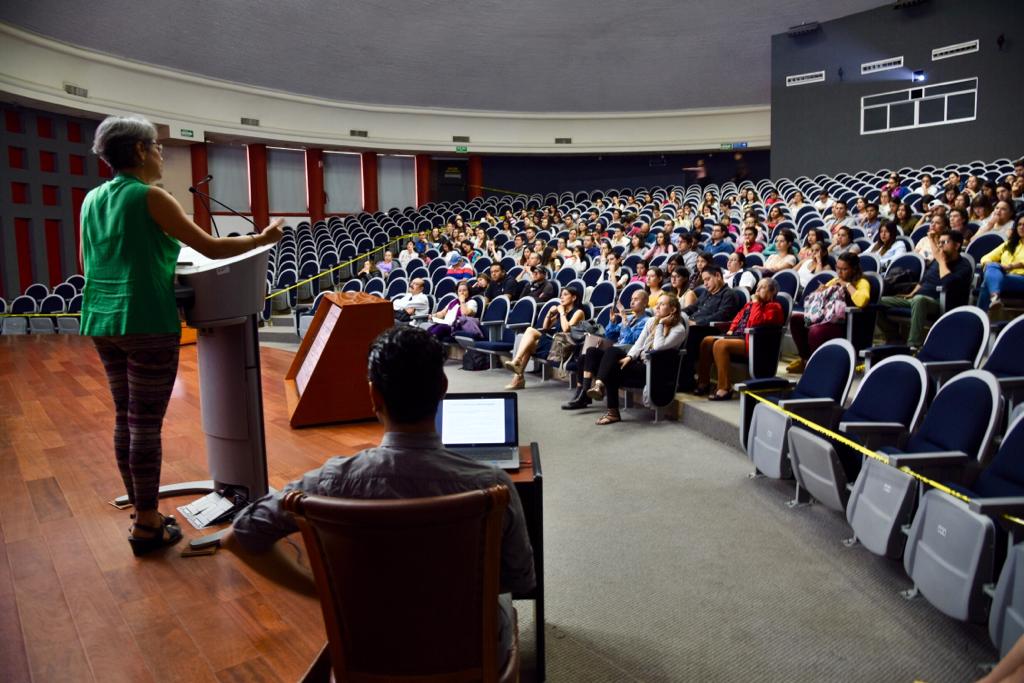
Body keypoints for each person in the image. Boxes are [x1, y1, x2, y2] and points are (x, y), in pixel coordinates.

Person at [225, 326, 534, 667]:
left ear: (374, 395)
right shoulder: (492, 484)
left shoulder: (330, 481)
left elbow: (241, 535)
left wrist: (327, 595)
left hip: (370, 651)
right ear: (443, 389)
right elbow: (520, 579)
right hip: (469, 653)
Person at [80, 114, 284, 555]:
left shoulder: (91, 199)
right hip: (146, 319)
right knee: (145, 423)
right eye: (156, 147)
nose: (160, 155)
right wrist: (261, 238)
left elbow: (89, 263)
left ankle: (142, 510)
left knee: (125, 416)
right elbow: (210, 247)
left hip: (101, 318)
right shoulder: (149, 197)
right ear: (137, 151)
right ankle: (148, 525)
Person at [585, 293, 687, 425]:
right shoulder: (651, 321)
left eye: (662, 304)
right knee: (607, 356)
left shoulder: (678, 329)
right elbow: (639, 343)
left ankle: (610, 408)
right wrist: (629, 356)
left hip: (654, 370)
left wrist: (661, 323)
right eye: (657, 304)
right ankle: (600, 389)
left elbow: (658, 346)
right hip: (640, 363)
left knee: (612, 362)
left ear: (672, 310)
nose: (657, 307)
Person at [876, 231, 973, 348]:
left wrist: (941, 261)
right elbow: (924, 280)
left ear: (957, 246)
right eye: (939, 243)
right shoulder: (936, 262)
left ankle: (913, 345)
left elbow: (947, 283)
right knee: (878, 301)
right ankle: (894, 337)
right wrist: (911, 293)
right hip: (916, 298)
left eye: (944, 242)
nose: (940, 246)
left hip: (939, 302)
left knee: (919, 299)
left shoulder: (964, 265)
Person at [694, 278, 784, 400]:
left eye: (762, 287)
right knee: (707, 341)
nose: (757, 290)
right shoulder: (750, 304)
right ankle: (703, 382)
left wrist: (756, 304)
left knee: (720, 345)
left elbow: (755, 322)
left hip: (754, 342)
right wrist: (731, 329)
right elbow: (738, 318)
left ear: (772, 292)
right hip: (738, 336)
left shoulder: (774, 307)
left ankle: (724, 388)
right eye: (757, 286)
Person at [563, 289, 651, 410]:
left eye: (636, 299)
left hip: (627, 354)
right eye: (631, 299)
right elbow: (610, 335)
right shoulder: (630, 318)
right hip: (614, 351)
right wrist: (612, 322)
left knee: (596, 353)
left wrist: (624, 318)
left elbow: (632, 340)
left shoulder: (646, 321)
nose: (632, 302)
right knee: (587, 353)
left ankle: (585, 395)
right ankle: (583, 394)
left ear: (645, 302)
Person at [787, 253, 870, 372]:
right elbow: (814, 297)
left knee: (815, 331)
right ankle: (806, 359)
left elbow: (862, 301)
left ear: (854, 269)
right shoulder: (835, 280)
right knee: (796, 319)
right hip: (824, 317)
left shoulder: (862, 282)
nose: (840, 272)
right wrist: (821, 290)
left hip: (842, 323)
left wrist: (847, 285)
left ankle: (817, 366)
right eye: (838, 268)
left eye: (844, 269)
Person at [502, 285, 586, 390]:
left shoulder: (578, 312)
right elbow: (546, 328)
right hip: (555, 344)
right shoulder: (563, 312)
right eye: (561, 295)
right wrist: (549, 313)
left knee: (530, 332)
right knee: (529, 341)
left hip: (566, 349)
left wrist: (561, 312)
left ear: (574, 298)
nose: (561, 297)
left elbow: (566, 329)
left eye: (565, 295)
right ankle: (518, 375)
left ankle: (518, 369)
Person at [678, 265, 745, 390]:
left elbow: (721, 315)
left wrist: (697, 323)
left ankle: (686, 380)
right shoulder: (706, 293)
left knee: (689, 334)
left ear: (718, 276)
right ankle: (674, 377)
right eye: (704, 280)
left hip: (712, 329)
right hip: (696, 326)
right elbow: (693, 308)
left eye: (707, 279)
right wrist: (677, 314)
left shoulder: (729, 294)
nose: (705, 283)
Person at [977, 215, 1024, 312]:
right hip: (1005, 276)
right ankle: (995, 298)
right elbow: (986, 257)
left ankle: (981, 316)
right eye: (1019, 224)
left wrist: (1009, 267)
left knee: (987, 280)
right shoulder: (1009, 244)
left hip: (1021, 278)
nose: (1021, 227)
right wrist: (991, 266)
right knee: (991, 266)